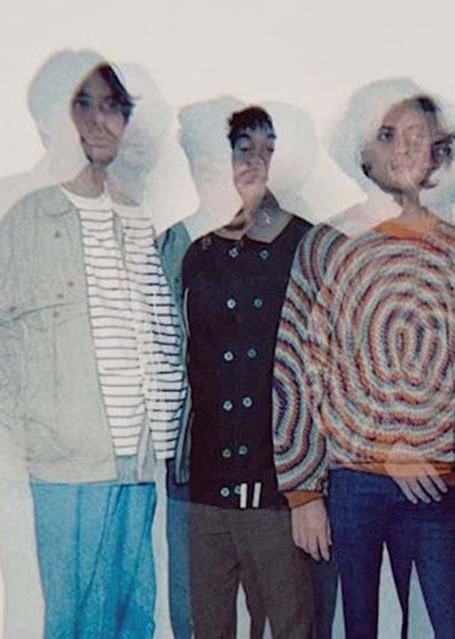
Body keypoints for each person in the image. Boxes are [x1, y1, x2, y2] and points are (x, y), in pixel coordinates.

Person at [0, 60, 185, 639]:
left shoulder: (137, 218)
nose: (98, 122)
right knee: (72, 624)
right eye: (82, 104)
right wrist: (30, 415)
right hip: (69, 467)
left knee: (134, 620)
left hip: (140, 465)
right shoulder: (28, 217)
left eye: (112, 107)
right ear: (57, 118)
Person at [272, 80, 455, 639]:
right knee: (359, 626)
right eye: (387, 135)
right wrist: (304, 492)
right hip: (354, 482)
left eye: (418, 136)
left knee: (436, 627)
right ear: (363, 150)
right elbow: (300, 367)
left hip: (436, 487)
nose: (404, 149)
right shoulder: (330, 241)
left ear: (440, 151)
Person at [167, 104, 317, 639]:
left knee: (290, 626)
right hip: (207, 486)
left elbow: (321, 371)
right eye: (243, 148)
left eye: (269, 149)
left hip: (279, 488)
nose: (256, 160)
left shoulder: (307, 244)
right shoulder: (199, 253)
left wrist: (310, 491)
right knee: (208, 628)